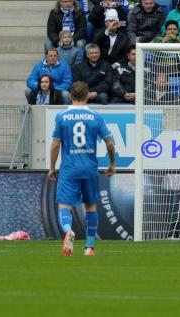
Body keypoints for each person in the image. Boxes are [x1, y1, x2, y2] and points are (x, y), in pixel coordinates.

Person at [48, 81, 116, 256]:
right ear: (87, 96)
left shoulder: (62, 116)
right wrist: (112, 163)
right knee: (91, 206)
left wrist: (51, 167)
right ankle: (89, 247)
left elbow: (56, 144)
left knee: (64, 205)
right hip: (90, 168)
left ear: (70, 95)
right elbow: (109, 142)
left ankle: (68, 230)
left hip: (70, 168)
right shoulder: (96, 116)